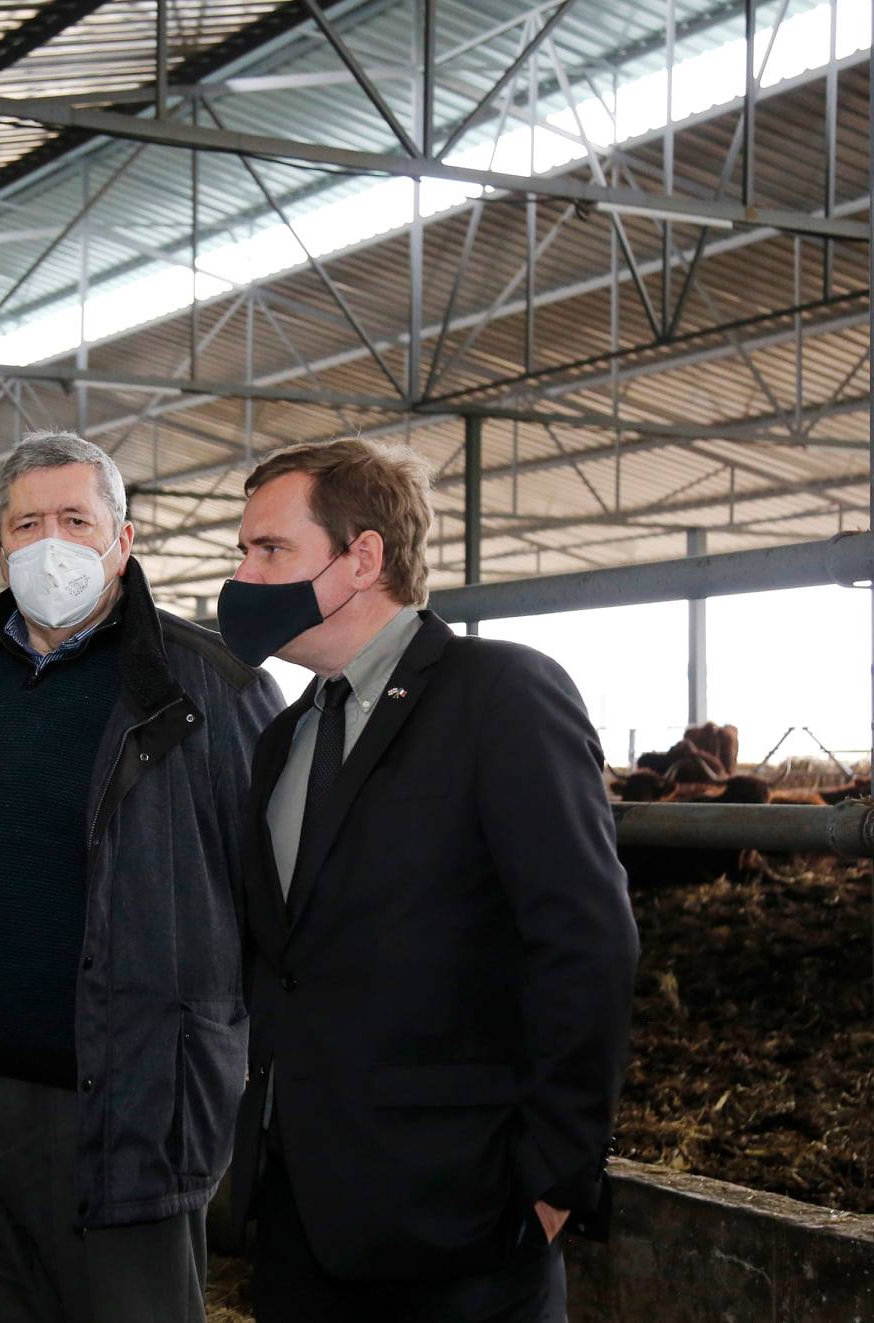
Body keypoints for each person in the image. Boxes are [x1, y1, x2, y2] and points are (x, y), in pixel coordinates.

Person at [0, 431, 284, 1323]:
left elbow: (278, 900)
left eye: (76, 520)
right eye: (27, 524)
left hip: (128, 1102)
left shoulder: (211, 687)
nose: (50, 543)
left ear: (122, 541)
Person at [217, 438, 639, 1323]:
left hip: (461, 1220)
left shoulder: (500, 694)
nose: (244, 576)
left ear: (362, 557)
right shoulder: (285, 737)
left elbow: (585, 940)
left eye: (271, 549)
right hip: (301, 1214)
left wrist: (554, 1178)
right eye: (243, 551)